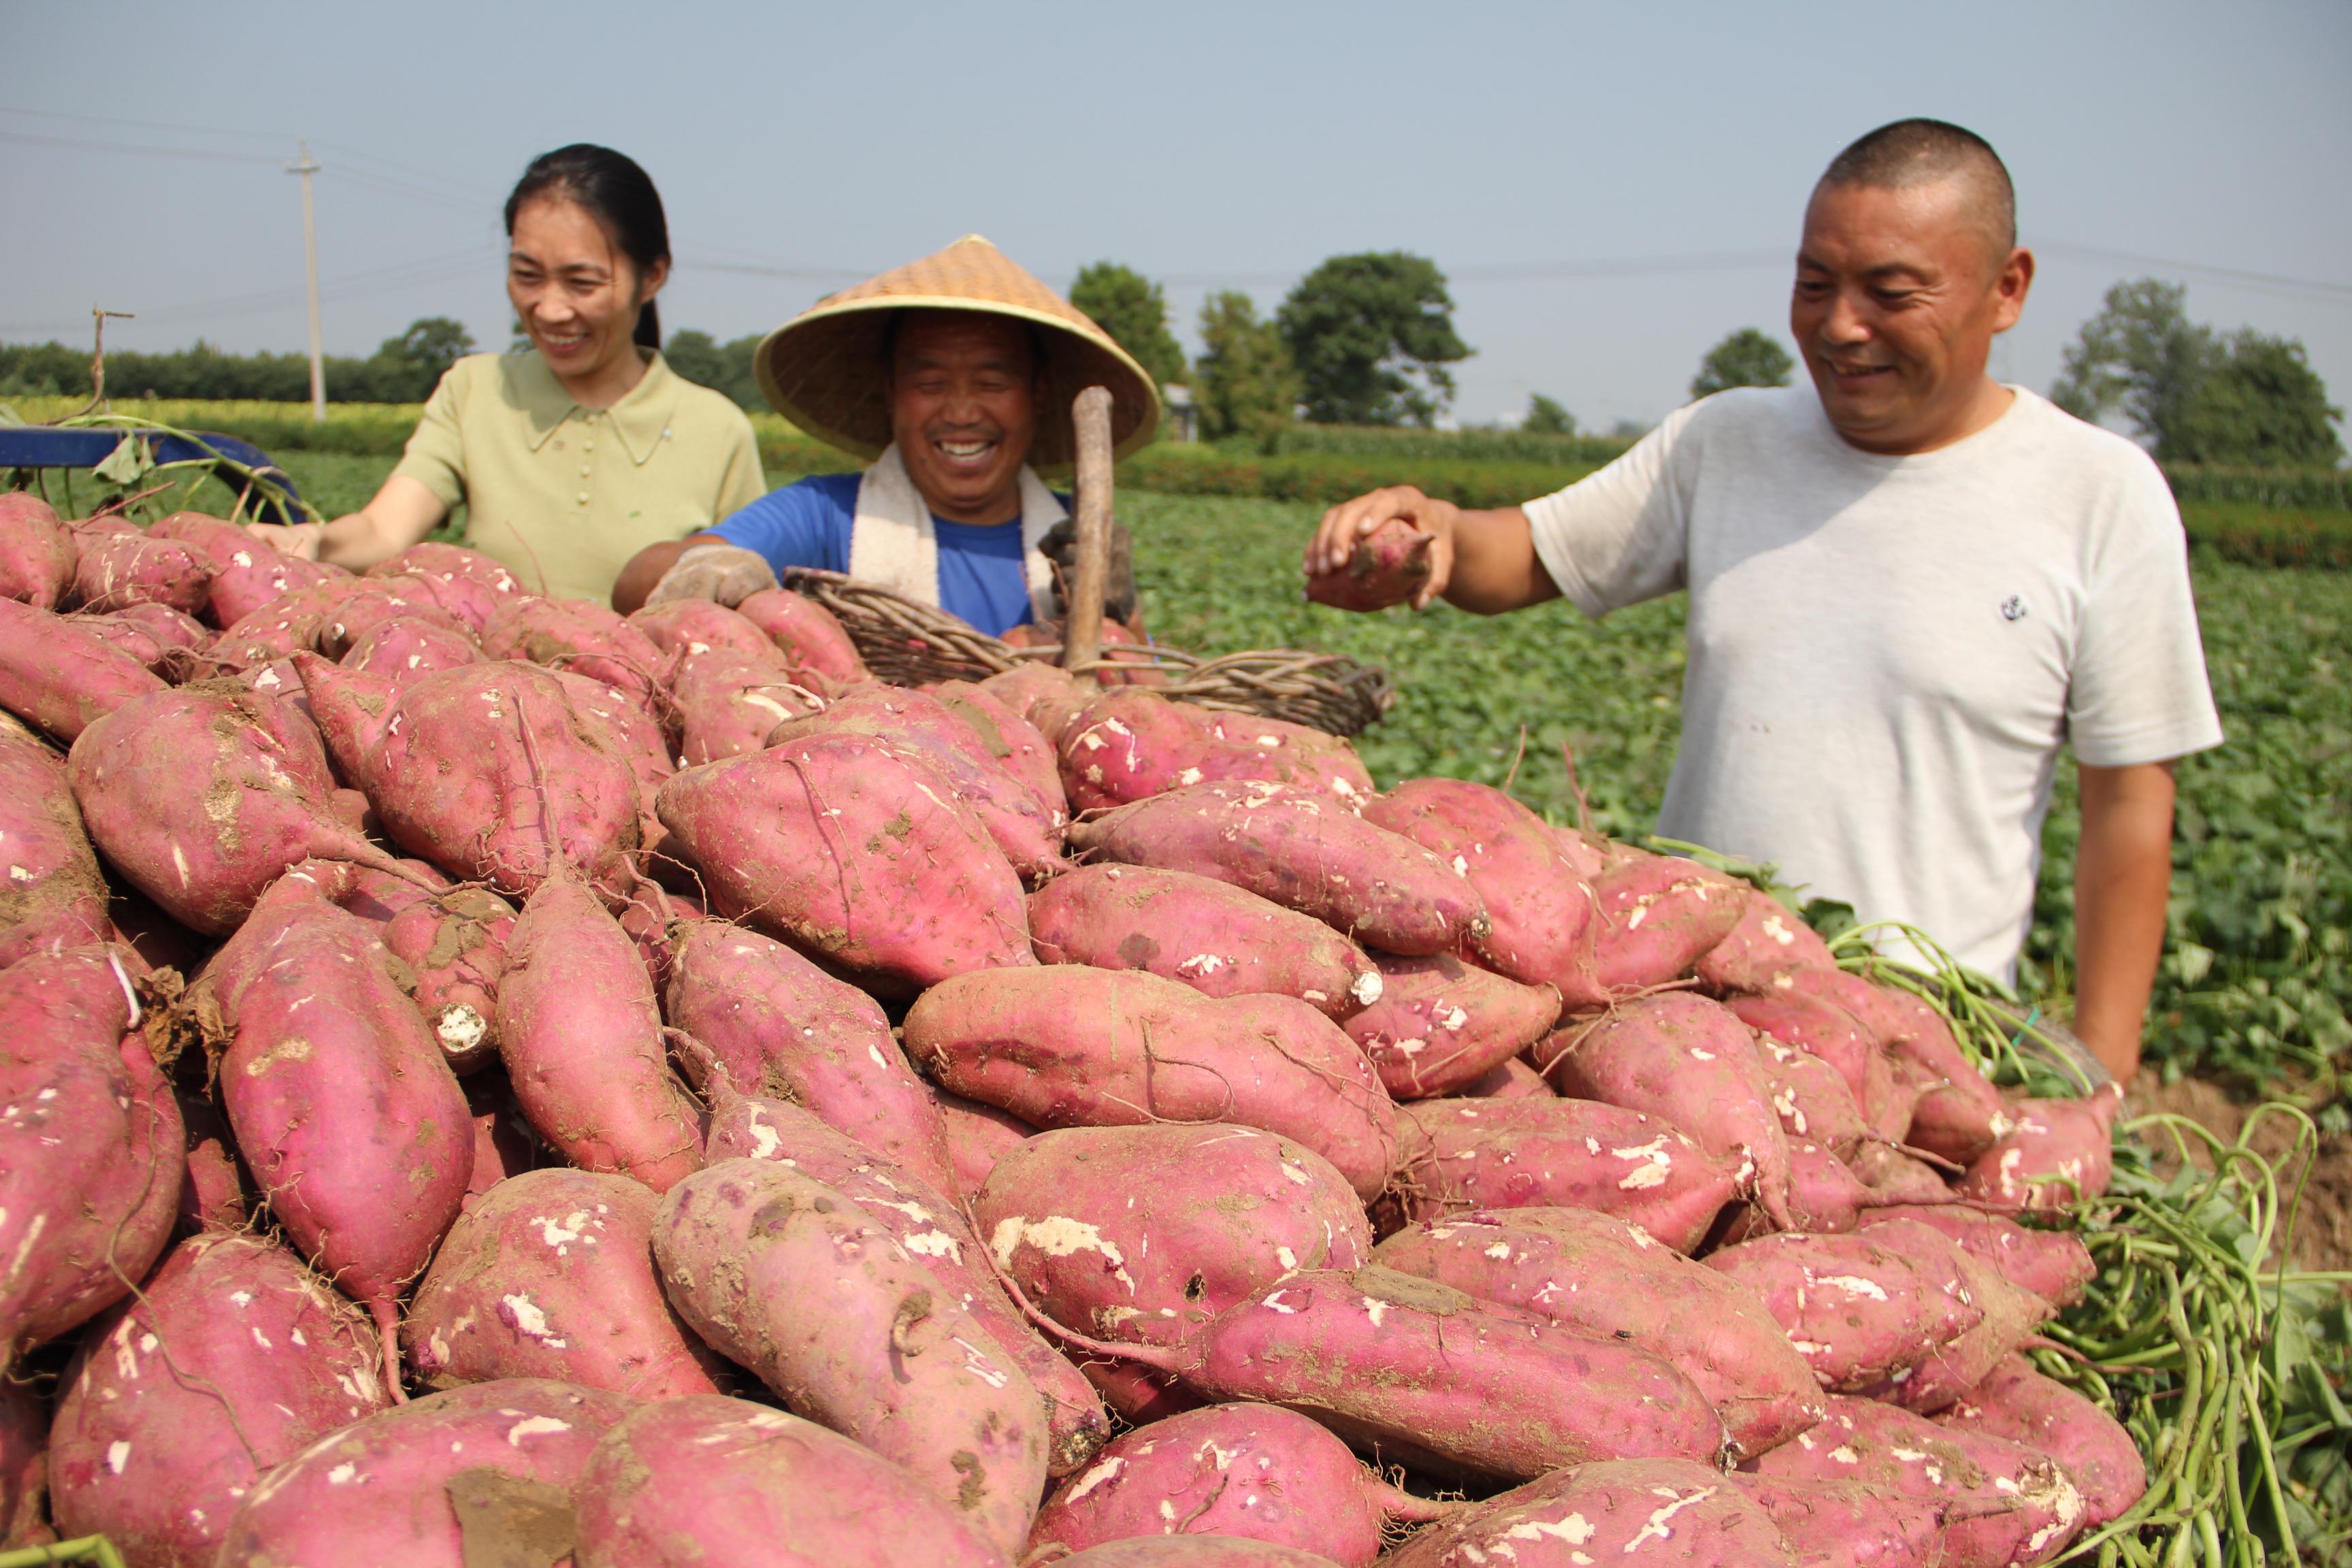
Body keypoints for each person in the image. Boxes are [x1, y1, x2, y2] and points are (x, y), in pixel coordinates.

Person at [1303, 119, 2220, 1083]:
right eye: (1814, 284)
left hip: (1922, 1052)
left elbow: (2128, 804)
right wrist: (1432, 539)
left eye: (1891, 293)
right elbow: (1527, 552)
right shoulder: (1728, 443)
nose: (1840, 326)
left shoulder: (2099, 493)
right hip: (1683, 1020)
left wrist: (2103, 1076)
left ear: (2008, 288)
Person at [252, 144, 764, 604]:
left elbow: (745, 591)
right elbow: (384, 530)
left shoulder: (717, 429)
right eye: (527, 276)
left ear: (651, 276)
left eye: (581, 282)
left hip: (649, 699)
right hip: (494, 700)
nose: (550, 309)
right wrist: (316, 539)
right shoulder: (474, 392)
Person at [612, 235, 1158, 636]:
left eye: (993, 382)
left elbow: (1151, 707)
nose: (963, 410)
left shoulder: (1075, 541)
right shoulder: (827, 517)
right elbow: (638, 581)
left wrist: (1114, 608)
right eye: (930, 382)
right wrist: (713, 571)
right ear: (891, 391)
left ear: (1038, 394)